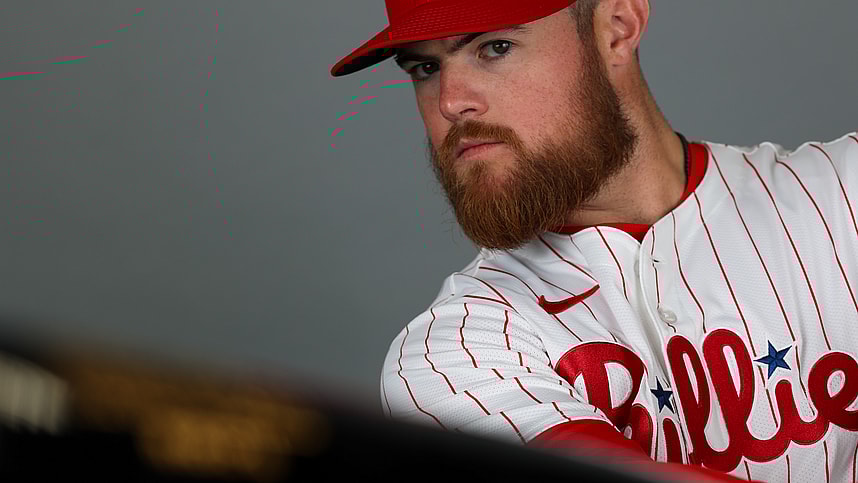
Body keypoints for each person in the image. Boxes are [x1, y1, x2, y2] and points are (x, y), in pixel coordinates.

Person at [330, 1, 858, 481]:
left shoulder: (843, 194)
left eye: (495, 47)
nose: (451, 102)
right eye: (425, 68)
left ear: (617, 28)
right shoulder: (451, 356)